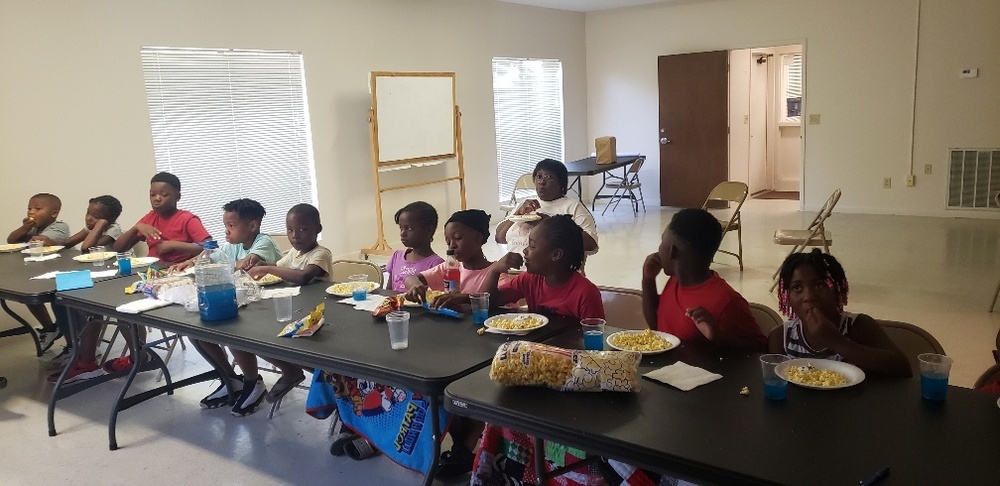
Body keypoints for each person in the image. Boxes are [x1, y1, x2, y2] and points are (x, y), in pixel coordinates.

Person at [474, 214, 606, 484]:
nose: (525, 250)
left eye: (532, 245)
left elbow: (593, 346)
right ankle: (503, 471)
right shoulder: (530, 280)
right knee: (499, 407)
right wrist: (496, 269)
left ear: (556, 254)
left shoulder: (584, 292)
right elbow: (490, 302)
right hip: (534, 370)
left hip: (570, 376)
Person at [169, 198, 285, 416]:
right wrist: (192, 261)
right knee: (197, 333)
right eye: (225, 226)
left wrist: (217, 263)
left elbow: (246, 264)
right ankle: (231, 379)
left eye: (231, 226)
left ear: (252, 226)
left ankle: (253, 382)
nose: (226, 231)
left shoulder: (263, 242)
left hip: (269, 306)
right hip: (245, 302)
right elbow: (213, 257)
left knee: (232, 331)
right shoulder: (232, 246)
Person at [104, 172, 212, 374]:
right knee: (122, 308)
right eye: (152, 194)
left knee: (132, 306)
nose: (157, 198)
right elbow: (118, 248)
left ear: (177, 196)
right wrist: (136, 227)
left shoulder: (187, 219)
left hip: (181, 277)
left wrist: (173, 245)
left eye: (164, 194)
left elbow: (209, 247)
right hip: (153, 276)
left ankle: (139, 356)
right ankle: (139, 356)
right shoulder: (149, 218)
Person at [768, 249, 911, 377]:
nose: (809, 296)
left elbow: (903, 370)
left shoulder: (858, 327)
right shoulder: (781, 338)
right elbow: (776, 381)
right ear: (786, 298)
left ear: (837, 290)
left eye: (819, 285)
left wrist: (836, 341)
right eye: (797, 288)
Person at [244, 203, 333, 411]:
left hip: (318, 315)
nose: (295, 236)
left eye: (302, 229)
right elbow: (278, 268)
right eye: (290, 230)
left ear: (318, 230)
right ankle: (291, 370)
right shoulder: (294, 253)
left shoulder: (320, 253)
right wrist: (259, 268)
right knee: (257, 337)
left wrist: (266, 268)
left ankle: (326, 378)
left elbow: (303, 276)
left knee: (283, 340)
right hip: (297, 309)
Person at [641, 208, 766, 351]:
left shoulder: (725, 300)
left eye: (662, 241)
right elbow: (657, 327)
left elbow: (761, 349)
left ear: (672, 251)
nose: (658, 249)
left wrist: (718, 337)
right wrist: (648, 281)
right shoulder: (675, 281)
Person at [44, 195, 125, 379]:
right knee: (60, 299)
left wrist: (99, 226)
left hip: (112, 281)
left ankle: (86, 360)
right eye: (88, 213)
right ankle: (74, 348)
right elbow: (67, 244)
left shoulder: (113, 230)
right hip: (93, 277)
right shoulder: (91, 227)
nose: (89, 218)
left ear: (109, 219)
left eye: (96, 216)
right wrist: (48, 242)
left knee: (85, 307)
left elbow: (87, 247)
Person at [7, 193, 72, 353]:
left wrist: (26, 233)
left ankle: (73, 344)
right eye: (29, 208)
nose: (31, 212)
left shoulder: (59, 226)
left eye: (38, 208)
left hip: (62, 273)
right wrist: (24, 228)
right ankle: (50, 328)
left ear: (54, 213)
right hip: (41, 272)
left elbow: (39, 243)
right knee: (29, 295)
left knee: (61, 303)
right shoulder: (32, 227)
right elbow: (11, 240)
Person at [495, 158, 599, 257]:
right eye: (538, 177)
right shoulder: (526, 204)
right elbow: (499, 237)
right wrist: (517, 214)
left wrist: (550, 226)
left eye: (549, 177)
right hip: (513, 269)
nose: (542, 182)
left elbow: (591, 244)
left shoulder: (573, 206)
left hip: (547, 273)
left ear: (561, 183)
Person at [404, 209, 498, 312]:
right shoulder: (450, 267)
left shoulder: (496, 272)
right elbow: (411, 279)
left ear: (478, 238)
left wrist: (461, 299)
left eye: (458, 238)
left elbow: (495, 303)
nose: (452, 246)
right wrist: (416, 285)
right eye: (448, 242)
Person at [385, 201, 444, 292]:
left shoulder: (437, 264)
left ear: (428, 230)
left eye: (409, 228)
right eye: (401, 228)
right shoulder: (397, 256)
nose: (403, 233)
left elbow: (435, 297)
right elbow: (388, 292)